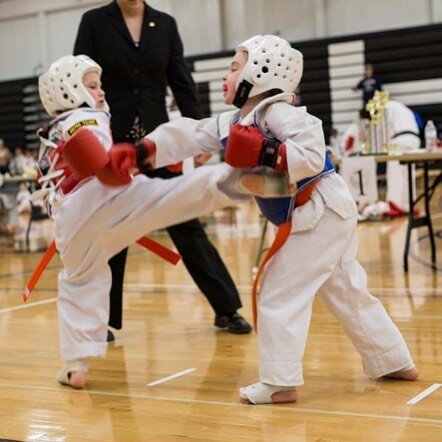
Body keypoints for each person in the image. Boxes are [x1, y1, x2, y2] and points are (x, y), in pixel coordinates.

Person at [102, 35, 419, 405]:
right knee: (346, 289)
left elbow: (313, 154)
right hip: (324, 211)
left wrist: (269, 150)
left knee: (279, 289)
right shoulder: (238, 119)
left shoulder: (278, 112)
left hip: (318, 207)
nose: (226, 74)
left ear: (261, 72)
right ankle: (393, 359)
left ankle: (280, 379)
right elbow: (194, 132)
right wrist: (145, 152)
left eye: (235, 67)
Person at [35, 54, 275, 389]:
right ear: (68, 91)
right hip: (99, 195)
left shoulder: (48, 136)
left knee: (78, 282)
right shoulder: (82, 118)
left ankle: (75, 364)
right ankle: (233, 180)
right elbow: (87, 142)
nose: (101, 92)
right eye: (92, 86)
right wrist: (107, 163)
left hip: (68, 225)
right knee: (172, 197)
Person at [73, 0, 251, 336]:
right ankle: (101, 321)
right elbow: (80, 80)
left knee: (185, 220)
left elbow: (181, 80)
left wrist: (200, 137)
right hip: (110, 139)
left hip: (157, 143)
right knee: (111, 228)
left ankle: (226, 309)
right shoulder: (94, 22)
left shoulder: (164, 24)